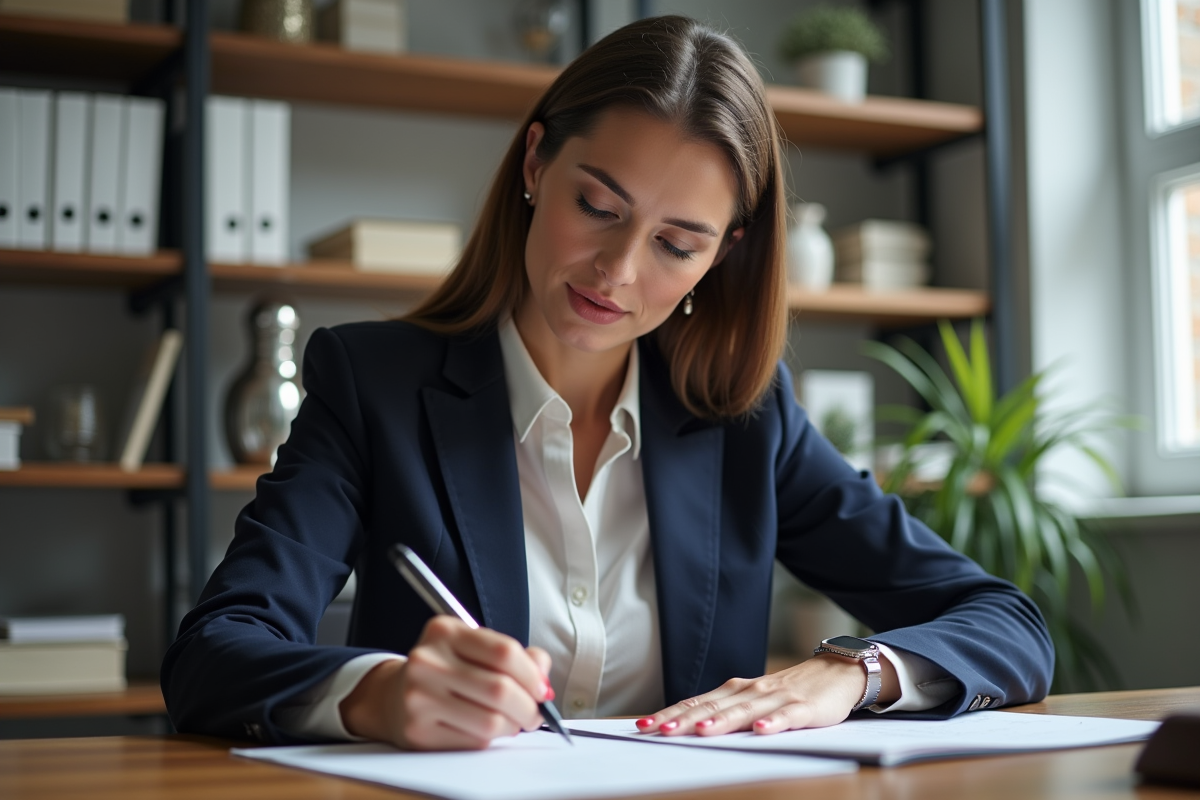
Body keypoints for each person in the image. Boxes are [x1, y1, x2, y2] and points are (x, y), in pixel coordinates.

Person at [162, 15, 1053, 751]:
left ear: (722, 254)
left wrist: (852, 673)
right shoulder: (372, 386)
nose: (618, 271)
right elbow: (213, 653)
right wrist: (380, 694)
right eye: (597, 206)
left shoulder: (747, 420)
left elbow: (1006, 622)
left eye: (677, 243)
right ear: (535, 164)